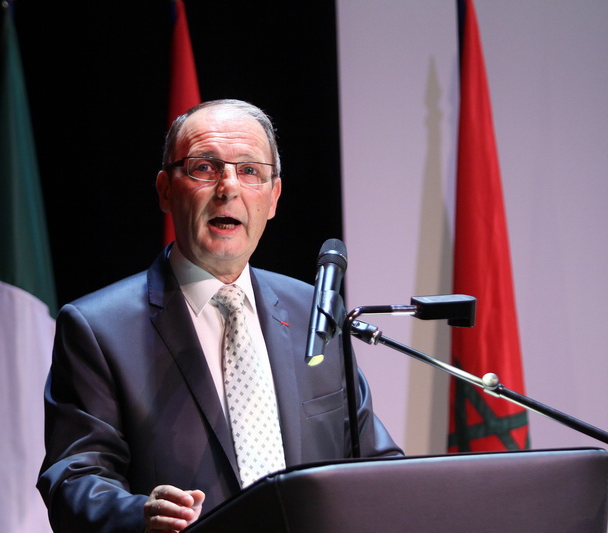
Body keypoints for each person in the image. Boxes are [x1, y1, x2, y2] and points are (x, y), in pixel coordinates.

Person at [37, 99, 401, 532]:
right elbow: (73, 479)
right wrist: (139, 515)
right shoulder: (98, 329)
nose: (228, 187)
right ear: (165, 191)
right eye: (204, 168)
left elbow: (374, 461)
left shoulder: (315, 313)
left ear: (273, 197)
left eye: (249, 171)